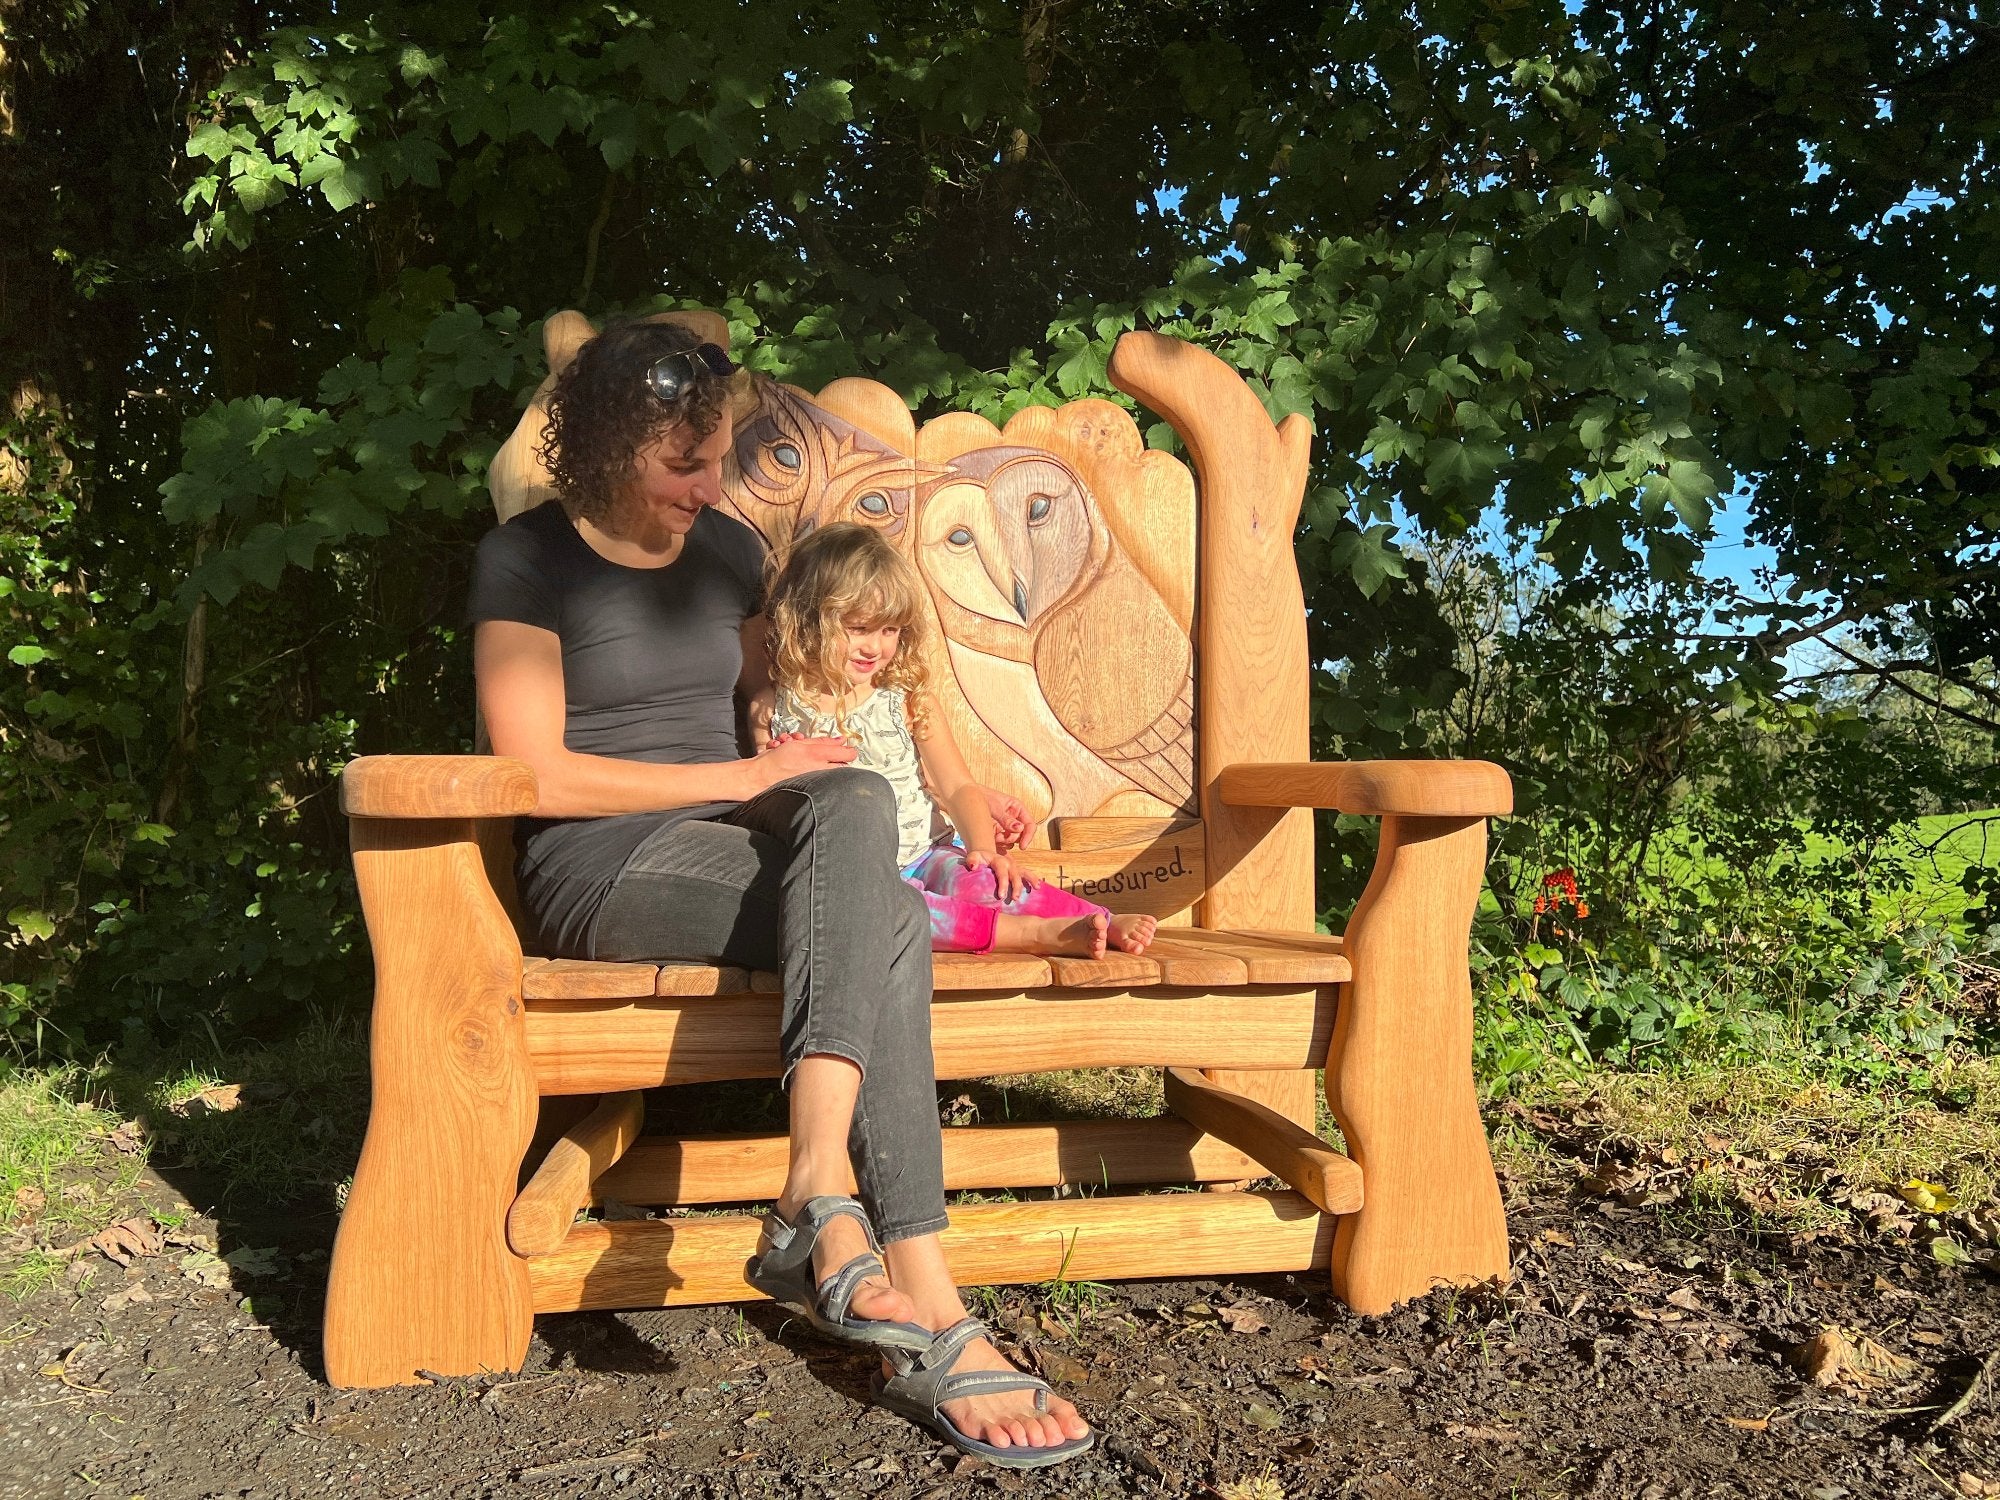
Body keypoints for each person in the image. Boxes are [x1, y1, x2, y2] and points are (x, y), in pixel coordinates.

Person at [468, 319, 1092, 1467]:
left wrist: (958, 789)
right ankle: (934, 1304)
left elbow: (801, 712)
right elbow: (533, 770)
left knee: (859, 825)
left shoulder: (720, 556)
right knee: (890, 918)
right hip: (603, 868)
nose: (710, 488)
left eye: (715, 461)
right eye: (682, 466)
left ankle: (817, 1189)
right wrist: (749, 778)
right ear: (606, 448)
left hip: (743, 846)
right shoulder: (528, 560)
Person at [764, 523, 1159, 960]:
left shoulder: (909, 701)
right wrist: (785, 762)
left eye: (890, 630)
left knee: (985, 882)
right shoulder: (774, 708)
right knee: (899, 913)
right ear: (807, 619)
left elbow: (957, 787)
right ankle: (1034, 934)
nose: (875, 647)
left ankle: (1102, 917)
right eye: (858, 628)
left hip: (926, 854)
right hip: (858, 872)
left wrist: (983, 852)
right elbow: (769, 795)